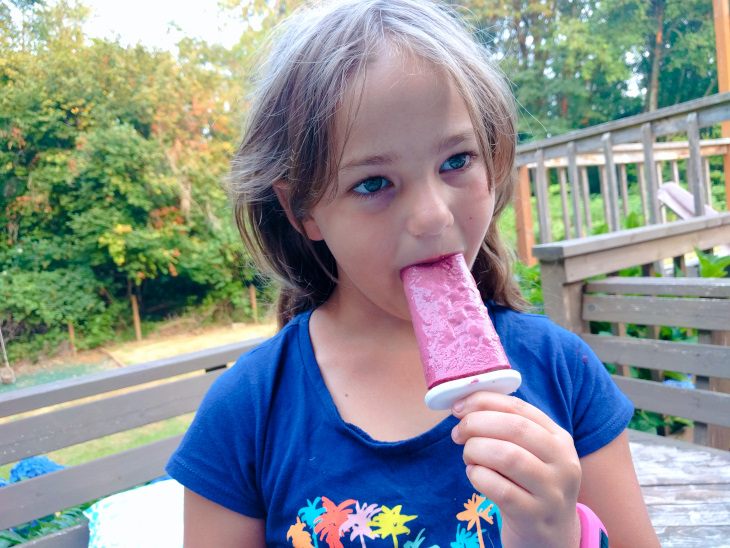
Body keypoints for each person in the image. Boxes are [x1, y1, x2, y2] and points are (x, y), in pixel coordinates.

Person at [166, 1, 660, 546]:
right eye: (373, 183)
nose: (433, 215)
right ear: (301, 209)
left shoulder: (562, 373)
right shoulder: (246, 412)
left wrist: (557, 534)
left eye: (456, 160)